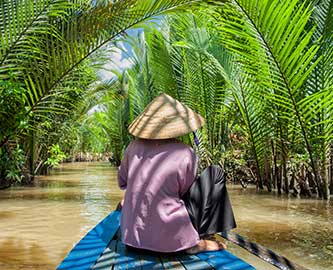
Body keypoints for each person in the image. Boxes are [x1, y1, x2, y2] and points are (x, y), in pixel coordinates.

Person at [118, 93, 236, 254]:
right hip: (173, 242)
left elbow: (123, 181)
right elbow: (185, 192)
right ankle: (201, 239)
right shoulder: (186, 152)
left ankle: (190, 238)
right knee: (215, 173)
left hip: (132, 240)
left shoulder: (132, 148)